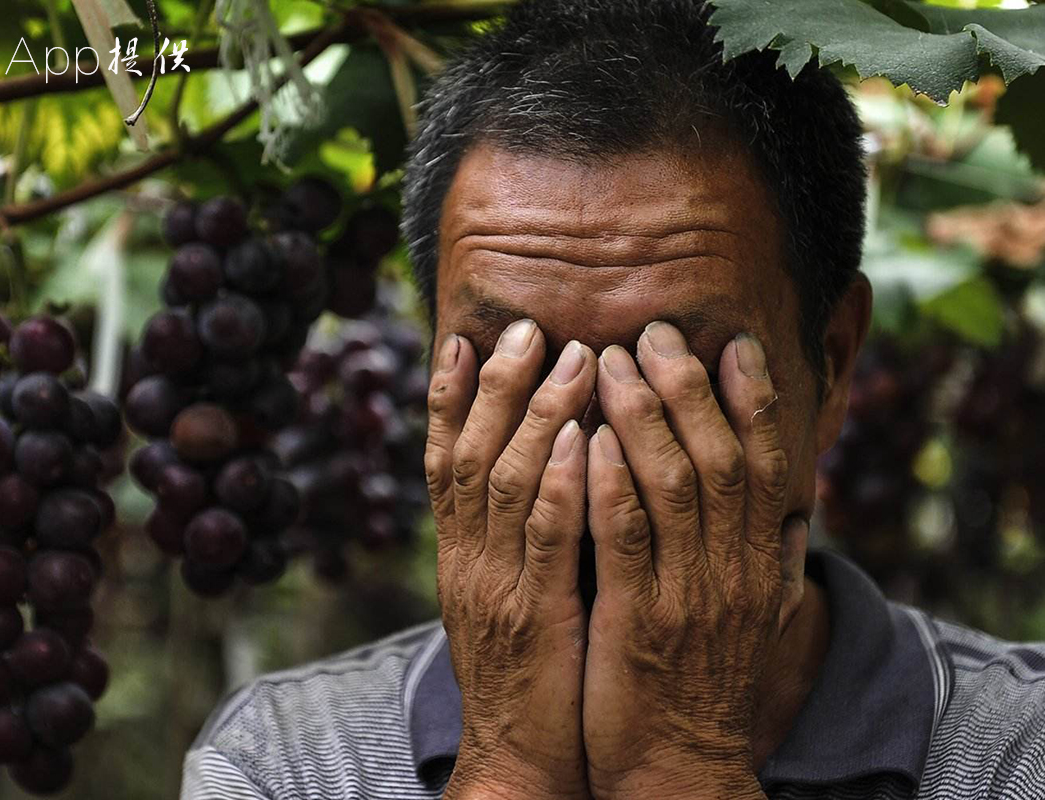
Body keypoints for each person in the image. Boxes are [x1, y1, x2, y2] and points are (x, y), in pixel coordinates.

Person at [182, 1, 1045, 798]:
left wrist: (685, 762)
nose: (589, 456)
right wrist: (508, 767)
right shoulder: (281, 761)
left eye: (670, 373)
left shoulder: (1020, 750)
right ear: (437, 378)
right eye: (514, 369)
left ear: (831, 365)